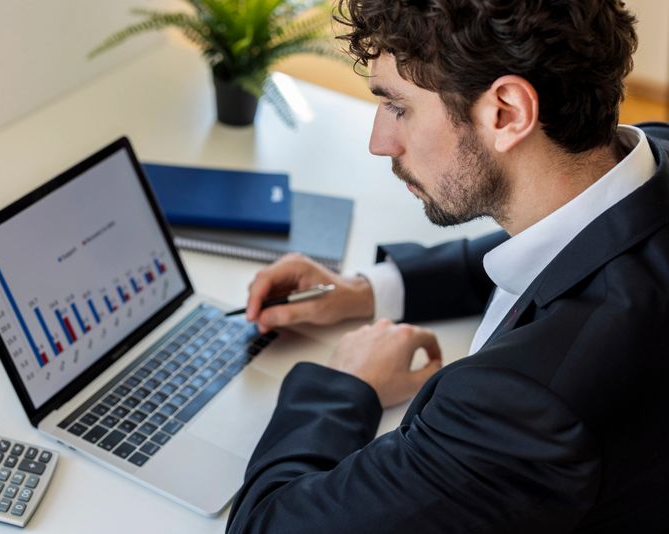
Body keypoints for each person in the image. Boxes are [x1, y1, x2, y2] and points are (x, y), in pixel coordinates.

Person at [226, 0, 669, 532]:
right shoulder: (647, 160)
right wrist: (369, 291)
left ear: (507, 112)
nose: (378, 143)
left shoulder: (526, 408)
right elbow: (552, 248)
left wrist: (345, 384)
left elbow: (266, 525)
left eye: (398, 107)